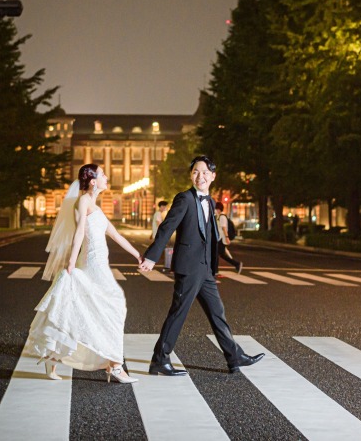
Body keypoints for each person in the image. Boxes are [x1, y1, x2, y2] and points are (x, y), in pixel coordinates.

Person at [138, 156, 264, 375]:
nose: (200, 176)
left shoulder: (211, 201)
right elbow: (167, 228)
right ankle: (160, 358)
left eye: (205, 172)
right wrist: (151, 256)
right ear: (191, 175)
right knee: (178, 312)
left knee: (217, 313)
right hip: (189, 266)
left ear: (213, 176)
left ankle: (234, 357)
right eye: (196, 172)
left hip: (205, 268)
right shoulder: (184, 198)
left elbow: (209, 234)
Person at [26, 164, 142, 384]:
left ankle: (54, 356)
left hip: (100, 262)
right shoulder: (83, 201)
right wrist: (71, 262)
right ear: (92, 181)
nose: (107, 177)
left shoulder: (95, 206)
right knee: (114, 305)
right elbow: (80, 231)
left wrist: (139, 255)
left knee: (89, 309)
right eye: (103, 174)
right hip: (91, 263)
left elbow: (116, 235)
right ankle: (116, 366)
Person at [215, 201, 242, 274]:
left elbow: (224, 228)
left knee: (216, 253)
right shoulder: (219, 216)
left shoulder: (222, 217)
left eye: (216, 208)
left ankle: (215, 270)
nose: (215, 210)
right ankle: (236, 264)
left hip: (222, 239)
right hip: (220, 238)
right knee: (222, 255)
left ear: (219, 209)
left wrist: (227, 237)